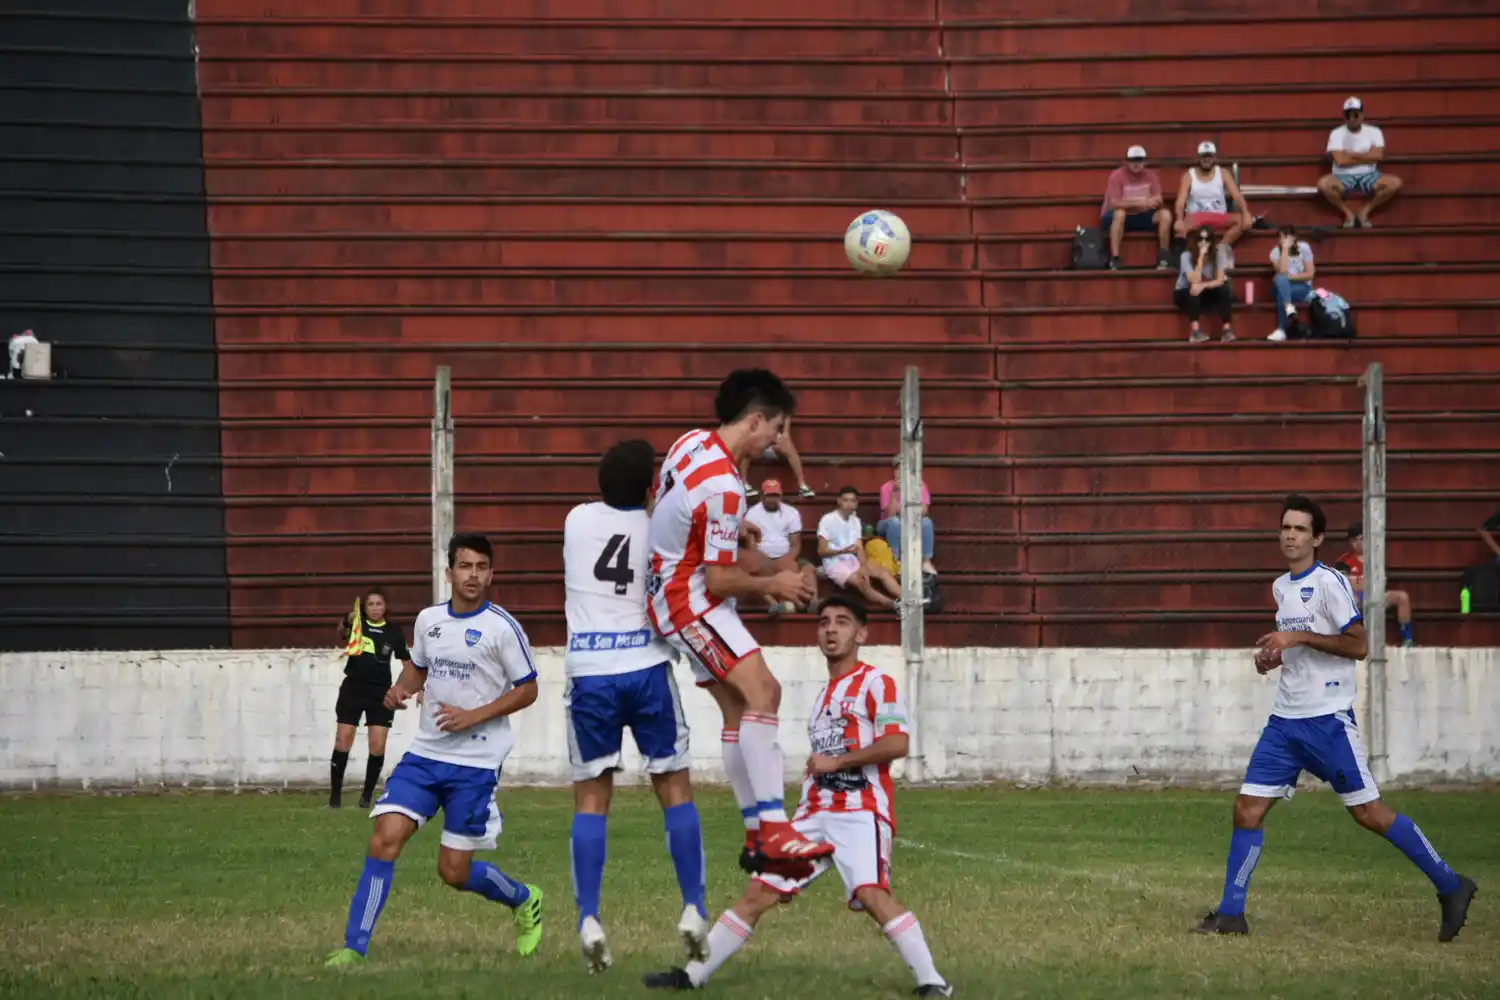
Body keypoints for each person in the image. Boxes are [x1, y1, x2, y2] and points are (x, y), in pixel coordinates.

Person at [1193, 495, 1476, 940]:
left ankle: (1451, 884)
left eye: (1300, 529)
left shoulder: (1330, 582)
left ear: (1318, 539)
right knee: (1247, 809)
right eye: (1286, 527)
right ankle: (1231, 914)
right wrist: (1274, 658)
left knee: (1369, 814)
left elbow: (1359, 645)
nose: (1290, 535)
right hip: (1284, 722)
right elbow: (1299, 648)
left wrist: (1297, 638)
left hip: (1327, 722)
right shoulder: (1281, 587)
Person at [641, 596, 953, 997]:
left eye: (842, 622)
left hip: (859, 811)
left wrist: (837, 762)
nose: (831, 629)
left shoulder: (876, 683)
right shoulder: (823, 698)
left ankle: (933, 982)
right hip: (813, 816)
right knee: (758, 893)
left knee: (872, 894)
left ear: (861, 634)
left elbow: (897, 743)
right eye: (824, 622)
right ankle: (691, 976)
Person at [325, 533, 545, 967]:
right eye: (465, 566)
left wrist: (474, 715)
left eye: (481, 567)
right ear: (449, 572)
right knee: (385, 838)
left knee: (453, 871)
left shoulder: (503, 628)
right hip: (426, 755)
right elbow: (419, 671)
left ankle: (524, 899)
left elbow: (529, 689)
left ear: (491, 574)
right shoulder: (429, 620)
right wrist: (399, 690)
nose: (473, 575)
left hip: (476, 763)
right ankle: (354, 947)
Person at [646, 368, 828, 873]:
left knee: (739, 709)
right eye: (776, 429)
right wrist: (775, 585)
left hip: (671, 588)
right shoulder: (725, 487)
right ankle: (774, 830)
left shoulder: (691, 443)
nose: (776, 442)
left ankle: (757, 837)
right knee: (765, 692)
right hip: (689, 601)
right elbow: (722, 579)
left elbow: (668, 506)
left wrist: (729, 527)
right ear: (754, 421)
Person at [563, 439, 708, 972]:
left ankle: (590, 917)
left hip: (591, 674)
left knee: (591, 800)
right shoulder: (659, 530)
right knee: (674, 789)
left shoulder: (576, 520)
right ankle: (693, 906)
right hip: (646, 668)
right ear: (650, 488)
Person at [331, 587, 413, 810]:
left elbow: (407, 663)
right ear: (364, 608)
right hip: (353, 689)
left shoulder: (394, 632)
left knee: (377, 745)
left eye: (379, 604)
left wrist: (411, 687)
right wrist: (347, 620)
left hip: (380, 692)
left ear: (386, 607)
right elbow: (341, 632)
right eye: (370, 604)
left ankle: (366, 799)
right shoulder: (358, 625)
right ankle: (335, 800)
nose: (375, 608)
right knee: (343, 740)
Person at [1319, 96, 1402, 228]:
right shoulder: (1336, 133)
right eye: (1348, 115)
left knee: (1394, 183)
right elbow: (1340, 161)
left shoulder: (1374, 131)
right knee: (1323, 185)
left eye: (1355, 114)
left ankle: (1365, 211)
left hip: (1369, 175)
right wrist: (1366, 156)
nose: (1352, 118)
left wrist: (1350, 155)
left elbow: (1377, 156)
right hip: (1342, 176)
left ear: (1362, 115)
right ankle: (1348, 214)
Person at [740, 478, 819, 615]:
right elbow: (751, 544)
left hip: (786, 555)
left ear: (781, 495)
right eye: (769, 496)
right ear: (762, 496)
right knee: (752, 567)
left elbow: (795, 543)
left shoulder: (791, 512)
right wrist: (764, 560)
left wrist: (788, 559)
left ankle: (813, 603)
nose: (772, 499)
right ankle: (775, 604)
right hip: (762, 556)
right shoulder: (752, 513)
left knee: (808, 568)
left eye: (775, 496)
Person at [819, 486, 903, 612]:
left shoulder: (855, 521)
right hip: (834, 563)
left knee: (882, 571)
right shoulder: (827, 520)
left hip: (852, 560)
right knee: (862, 582)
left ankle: (908, 599)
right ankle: (894, 605)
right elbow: (822, 551)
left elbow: (859, 548)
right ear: (839, 501)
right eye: (845, 500)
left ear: (856, 503)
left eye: (852, 501)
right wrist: (844, 551)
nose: (849, 504)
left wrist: (863, 567)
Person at [1333, 520, 1415, 647]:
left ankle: (1408, 640)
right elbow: (1342, 583)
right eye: (1354, 540)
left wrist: (1359, 581)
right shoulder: (1345, 560)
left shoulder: (1376, 559)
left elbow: (1380, 580)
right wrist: (1360, 583)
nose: (1357, 543)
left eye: (1361, 539)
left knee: (1402, 597)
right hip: (1355, 599)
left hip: (1375, 595)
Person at [1100, 144, 1173, 270]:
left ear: (1145, 161)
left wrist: (1152, 202)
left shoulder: (1151, 175)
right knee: (1119, 213)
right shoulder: (1116, 176)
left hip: (1143, 214)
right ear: (1127, 162)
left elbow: (1158, 199)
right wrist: (1141, 202)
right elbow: (1114, 203)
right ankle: (1115, 258)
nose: (1136, 164)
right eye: (1133, 160)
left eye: (1139, 160)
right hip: (1119, 216)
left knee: (1165, 215)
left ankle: (1164, 257)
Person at [1173, 140, 1253, 253]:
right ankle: (1180, 257)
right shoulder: (1189, 176)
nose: (1206, 159)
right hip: (1196, 216)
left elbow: (1237, 196)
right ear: (1198, 158)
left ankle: (1220, 248)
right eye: (1203, 156)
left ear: (1214, 157)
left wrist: (1245, 212)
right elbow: (1180, 202)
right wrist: (1179, 219)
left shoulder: (1223, 173)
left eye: (1209, 156)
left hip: (1218, 216)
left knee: (1243, 220)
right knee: (1180, 229)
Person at [1174, 224, 1235, 344]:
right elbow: (1194, 281)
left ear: (1212, 242)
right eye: (1200, 239)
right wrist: (1201, 257)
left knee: (1224, 288)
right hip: (1184, 291)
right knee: (1194, 290)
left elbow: (1220, 280)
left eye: (1207, 239)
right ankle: (1195, 332)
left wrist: (1203, 285)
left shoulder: (1218, 255)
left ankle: (1227, 330)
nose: (1203, 242)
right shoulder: (1186, 256)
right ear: (1195, 241)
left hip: (1204, 289)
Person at [877, 458, 937, 576]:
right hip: (887, 524)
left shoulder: (920, 486)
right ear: (894, 472)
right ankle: (895, 561)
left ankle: (926, 561)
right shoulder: (887, 487)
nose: (901, 472)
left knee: (926, 522)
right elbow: (890, 514)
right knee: (895, 522)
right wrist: (895, 494)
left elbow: (924, 511)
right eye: (898, 469)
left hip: (910, 521)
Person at [741, 415, 815, 501]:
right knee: (746, 447)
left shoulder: (779, 411)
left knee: (786, 444)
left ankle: (802, 485)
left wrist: (786, 432)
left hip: (774, 439)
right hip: (757, 439)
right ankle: (744, 484)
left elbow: (787, 415)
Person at [1265, 224, 1316, 342]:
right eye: (1281, 237)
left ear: (1294, 237)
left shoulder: (1304, 248)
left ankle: (1281, 330)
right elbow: (1283, 271)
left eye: (1286, 237)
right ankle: (1288, 306)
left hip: (1302, 287)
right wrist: (1285, 249)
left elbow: (1309, 274)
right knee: (1281, 281)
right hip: (1282, 286)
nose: (1283, 240)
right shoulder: (1274, 253)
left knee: (1281, 289)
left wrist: (1288, 278)